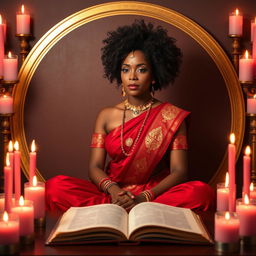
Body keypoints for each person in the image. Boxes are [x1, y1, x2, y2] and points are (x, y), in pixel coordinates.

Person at [46, 20, 215, 212]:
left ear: (154, 76)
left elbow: (180, 172)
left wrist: (144, 197)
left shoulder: (173, 117)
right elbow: (94, 167)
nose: (132, 76)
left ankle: (130, 209)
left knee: (202, 193)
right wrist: (115, 191)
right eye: (126, 69)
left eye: (141, 69)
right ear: (119, 74)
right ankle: (118, 206)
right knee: (55, 187)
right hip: (111, 192)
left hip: (154, 195)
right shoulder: (106, 116)